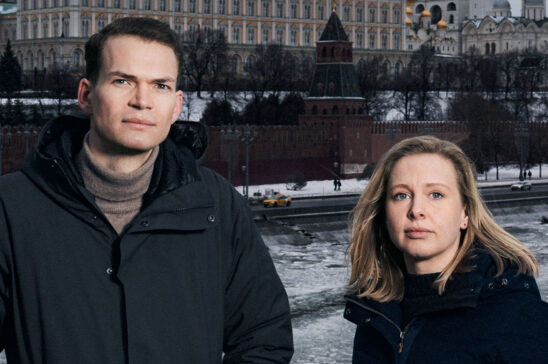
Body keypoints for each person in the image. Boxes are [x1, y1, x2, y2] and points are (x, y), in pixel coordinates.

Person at [0, 18, 293, 363]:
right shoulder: (11, 208)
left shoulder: (218, 204)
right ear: (86, 95)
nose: (142, 101)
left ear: (176, 106)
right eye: (123, 81)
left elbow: (264, 338)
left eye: (160, 86)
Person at [344, 136, 548, 363]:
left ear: (465, 213)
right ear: (384, 212)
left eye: (436, 194)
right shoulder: (376, 315)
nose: (416, 210)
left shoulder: (515, 315)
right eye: (401, 195)